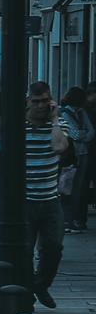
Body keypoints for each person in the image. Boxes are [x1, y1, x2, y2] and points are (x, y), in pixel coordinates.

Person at [0, 81, 70, 308]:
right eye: (35, 101)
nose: (40, 106)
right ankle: (28, 292)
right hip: (24, 200)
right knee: (24, 250)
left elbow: (60, 147)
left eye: (44, 101)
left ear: (51, 102)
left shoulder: (58, 126)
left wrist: (55, 119)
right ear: (28, 101)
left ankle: (40, 284)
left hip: (50, 199)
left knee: (54, 248)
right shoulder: (17, 127)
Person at [60, 86, 92, 232]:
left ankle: (74, 218)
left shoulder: (81, 112)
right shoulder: (64, 113)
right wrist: (83, 134)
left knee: (79, 188)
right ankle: (69, 219)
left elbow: (92, 131)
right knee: (68, 187)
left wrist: (82, 134)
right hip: (71, 156)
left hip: (83, 153)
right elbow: (74, 134)